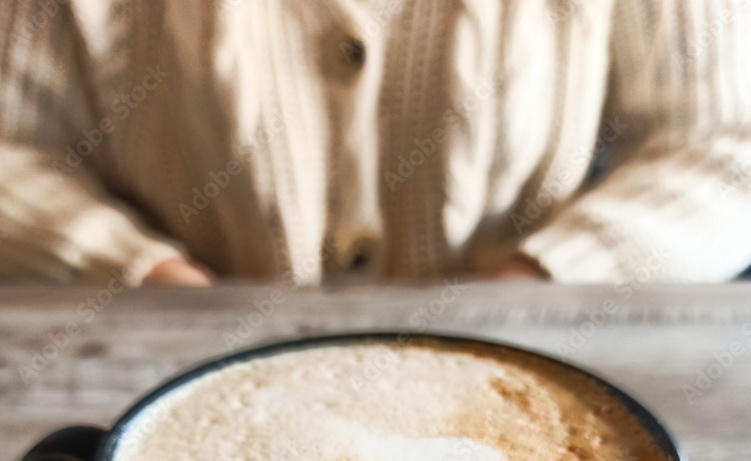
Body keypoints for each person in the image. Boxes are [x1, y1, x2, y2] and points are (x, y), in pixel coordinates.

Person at [1, 0, 750, 288]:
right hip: (167, 379)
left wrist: (541, 285)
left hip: (541, 377)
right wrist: (146, 278)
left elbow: (722, 146)